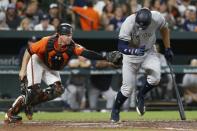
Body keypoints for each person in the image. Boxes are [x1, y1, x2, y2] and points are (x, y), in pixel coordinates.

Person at [4, 23, 119, 124]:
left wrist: (105, 57)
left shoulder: (72, 46)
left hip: (51, 67)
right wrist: (23, 69)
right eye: (67, 35)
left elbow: (87, 53)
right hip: (38, 61)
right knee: (33, 91)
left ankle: (30, 103)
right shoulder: (46, 41)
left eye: (71, 35)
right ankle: (10, 114)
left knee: (58, 90)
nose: (70, 37)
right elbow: (28, 51)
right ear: (59, 35)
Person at [110, 8, 174, 122]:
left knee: (155, 79)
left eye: (144, 25)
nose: (141, 27)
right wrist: (134, 51)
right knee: (127, 89)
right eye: (140, 25)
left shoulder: (157, 17)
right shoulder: (128, 22)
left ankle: (141, 95)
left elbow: (165, 29)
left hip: (149, 52)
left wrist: (168, 47)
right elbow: (121, 46)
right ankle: (115, 110)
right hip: (131, 55)